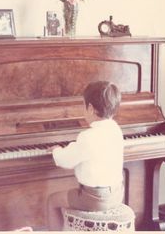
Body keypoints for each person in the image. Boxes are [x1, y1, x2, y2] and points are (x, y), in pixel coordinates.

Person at [46, 81, 124, 231]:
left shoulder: (88, 136)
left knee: (52, 200)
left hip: (95, 199)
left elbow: (66, 160)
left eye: (83, 105)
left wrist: (57, 151)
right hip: (116, 193)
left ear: (90, 108)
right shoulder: (116, 130)